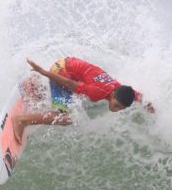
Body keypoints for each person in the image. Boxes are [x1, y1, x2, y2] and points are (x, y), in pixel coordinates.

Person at [12, 57, 155, 143]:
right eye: (116, 105)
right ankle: (21, 120)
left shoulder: (118, 88)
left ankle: (34, 85)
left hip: (67, 64)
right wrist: (44, 72)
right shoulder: (96, 93)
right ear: (113, 96)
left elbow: (137, 95)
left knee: (65, 102)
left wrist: (147, 105)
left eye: (120, 108)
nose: (116, 109)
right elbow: (69, 84)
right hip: (62, 71)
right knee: (66, 117)